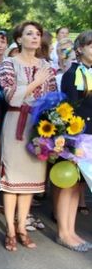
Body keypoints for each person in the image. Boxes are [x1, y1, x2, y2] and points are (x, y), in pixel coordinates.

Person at [0, 21, 56, 252]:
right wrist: (36, 82)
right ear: (19, 39)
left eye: (38, 34)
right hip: (15, 123)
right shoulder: (9, 63)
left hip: (38, 126)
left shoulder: (47, 66)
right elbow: (11, 97)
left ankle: (22, 227)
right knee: (12, 181)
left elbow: (53, 98)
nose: (34, 37)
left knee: (29, 181)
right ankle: (10, 230)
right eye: (29, 33)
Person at [57, 30, 92, 252]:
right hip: (75, 136)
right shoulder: (72, 73)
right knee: (68, 184)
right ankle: (63, 232)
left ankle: (71, 230)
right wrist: (70, 139)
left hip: (90, 136)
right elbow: (67, 108)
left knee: (78, 186)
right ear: (80, 49)